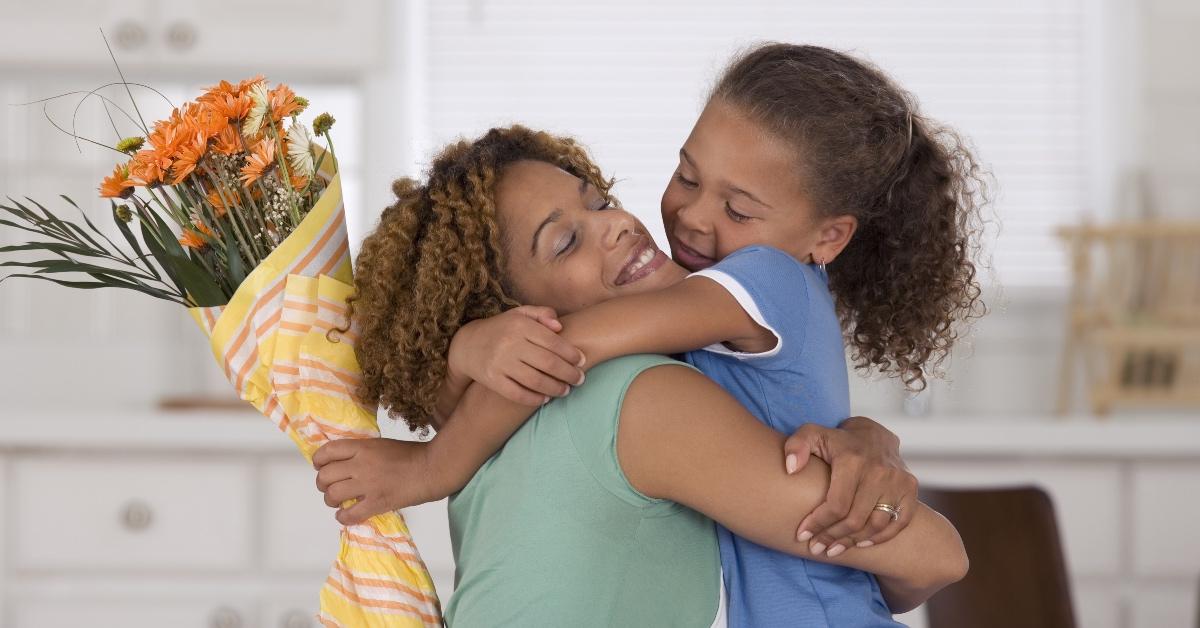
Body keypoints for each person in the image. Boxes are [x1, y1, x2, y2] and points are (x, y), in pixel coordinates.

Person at [318, 43, 987, 626]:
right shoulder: (644, 382)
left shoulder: (763, 282)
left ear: (828, 235)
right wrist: (472, 348)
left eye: (600, 201)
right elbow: (929, 562)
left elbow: (568, 345)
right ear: (504, 303)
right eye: (687, 177)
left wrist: (435, 457)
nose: (686, 215)